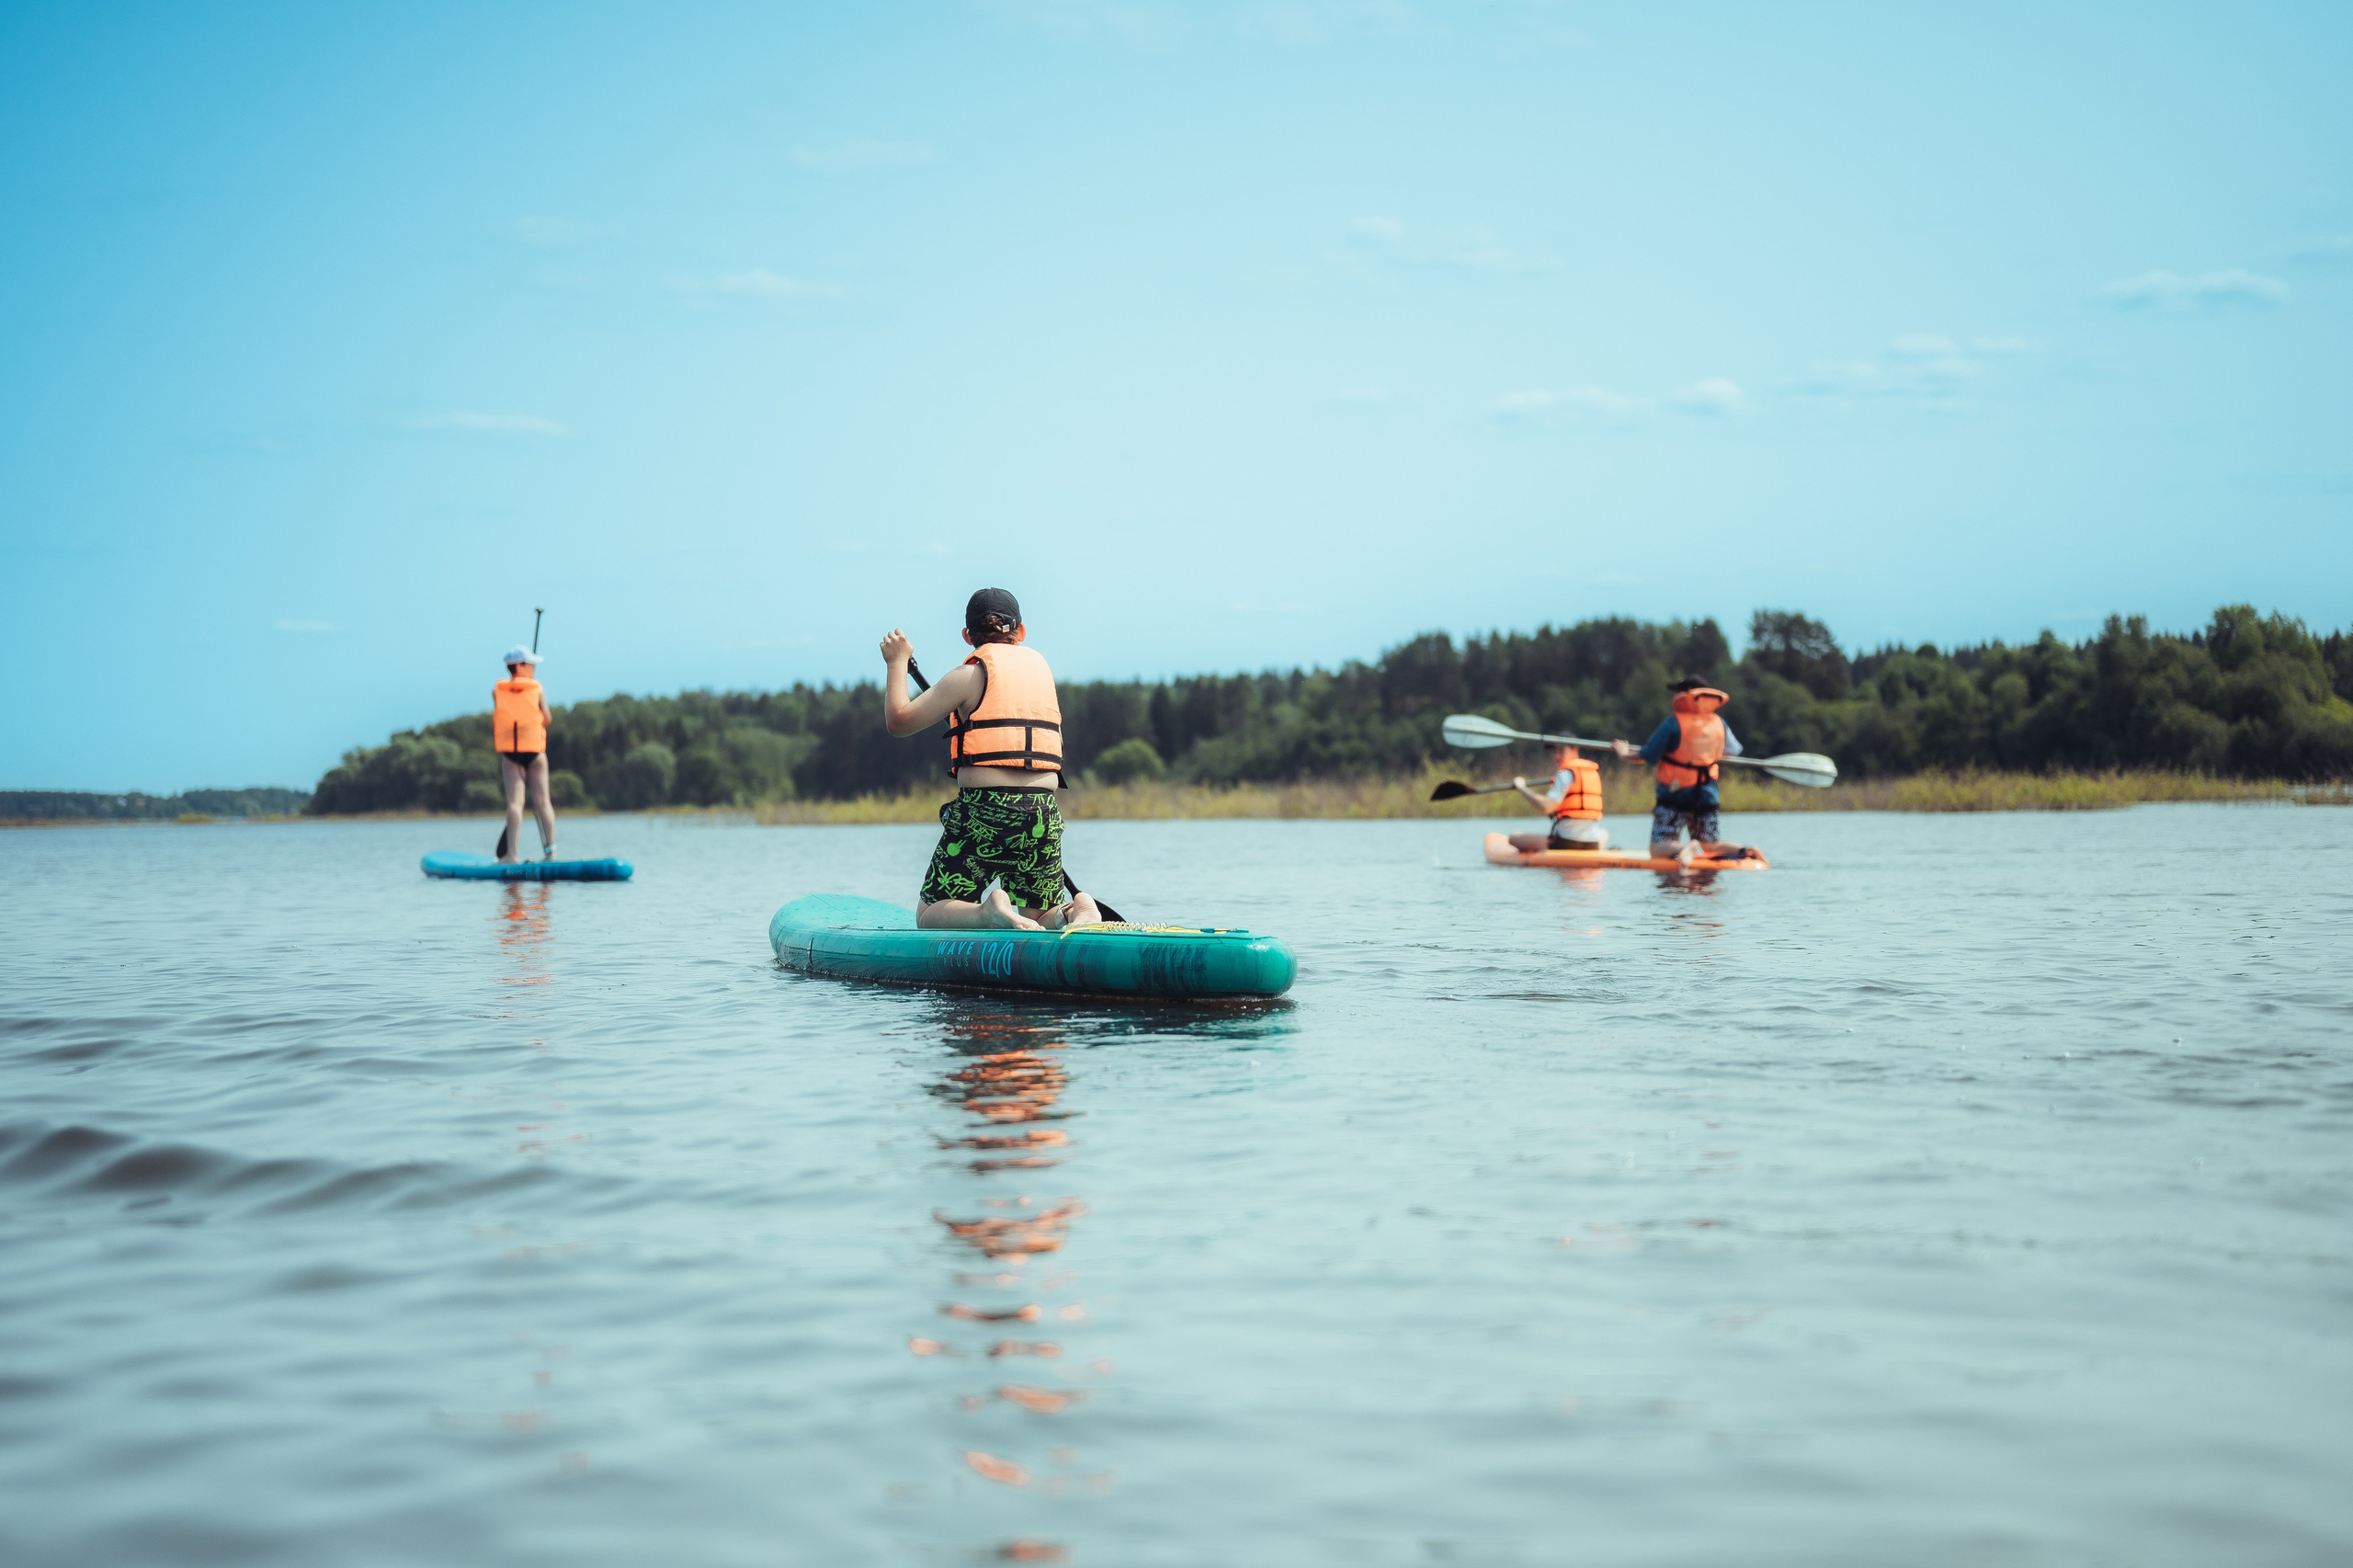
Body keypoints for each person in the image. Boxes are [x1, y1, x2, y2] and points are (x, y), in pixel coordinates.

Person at [880, 588, 1102, 933]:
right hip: (1043, 811)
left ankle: (987, 911)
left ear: (968, 635)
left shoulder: (966, 676)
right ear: (1021, 632)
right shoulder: (1040, 671)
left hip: (986, 810)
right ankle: (1075, 910)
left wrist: (897, 662)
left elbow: (898, 721)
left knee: (929, 914)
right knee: (1039, 916)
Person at [1613, 677, 1761, 868]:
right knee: (1711, 844)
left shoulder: (1674, 722)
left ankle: (1684, 848)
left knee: (1658, 847)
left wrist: (1624, 754)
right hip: (1707, 793)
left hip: (1675, 794)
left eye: (1677, 691)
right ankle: (1745, 850)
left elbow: (1649, 755)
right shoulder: (1719, 723)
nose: (1674, 696)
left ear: (1689, 693)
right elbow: (1733, 750)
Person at [492, 645, 558, 863]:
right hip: (535, 752)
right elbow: (546, 718)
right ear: (519, 666)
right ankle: (551, 853)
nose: (534, 668)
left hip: (512, 754)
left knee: (514, 804)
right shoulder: (536, 688)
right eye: (531, 665)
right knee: (543, 802)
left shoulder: (497, 690)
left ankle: (512, 855)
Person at [1504, 744, 1608, 854]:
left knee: (1514, 837)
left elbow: (1546, 807)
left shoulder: (1564, 774)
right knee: (1604, 833)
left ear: (1574, 751)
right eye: (1554, 752)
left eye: (1561, 751)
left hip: (1564, 844)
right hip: (1592, 844)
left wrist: (1522, 788)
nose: (1556, 756)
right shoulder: (1593, 772)